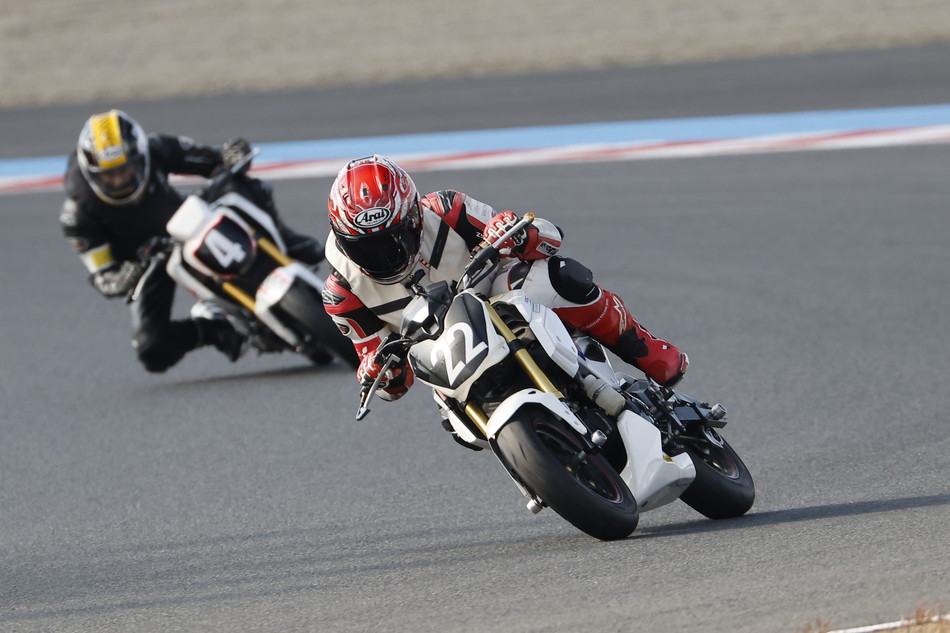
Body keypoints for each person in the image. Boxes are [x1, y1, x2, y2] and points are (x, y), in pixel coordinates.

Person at [321, 154, 688, 402]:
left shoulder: (448, 210)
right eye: (367, 248)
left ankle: (644, 348)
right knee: (459, 430)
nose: (386, 255)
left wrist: (516, 233)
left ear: (414, 217)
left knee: (560, 276)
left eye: (395, 238)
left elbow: (549, 238)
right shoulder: (342, 294)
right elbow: (388, 380)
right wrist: (379, 372)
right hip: (448, 353)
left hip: (501, 301)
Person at [59, 109, 324, 373]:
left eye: (125, 170)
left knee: (237, 183)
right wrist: (123, 278)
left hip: (185, 219)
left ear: (140, 156)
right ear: (91, 173)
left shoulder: (158, 147)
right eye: (108, 175)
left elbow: (216, 160)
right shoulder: (77, 215)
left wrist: (233, 155)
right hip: (146, 261)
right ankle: (216, 329)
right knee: (152, 349)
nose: (118, 181)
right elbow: (102, 275)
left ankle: (283, 238)